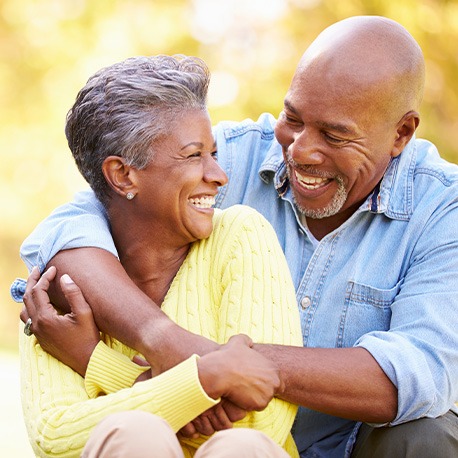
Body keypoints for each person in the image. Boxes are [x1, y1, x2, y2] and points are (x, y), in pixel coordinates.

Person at [13, 15, 458, 457]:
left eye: (335, 135)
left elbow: (417, 373)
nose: (300, 151)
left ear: (401, 133)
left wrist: (213, 367)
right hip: (218, 444)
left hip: (348, 447)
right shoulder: (232, 154)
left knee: (428, 435)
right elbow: (67, 229)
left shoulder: (443, 209)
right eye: (294, 118)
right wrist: (165, 341)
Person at [14, 54, 303, 457]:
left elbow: (262, 421)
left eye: (214, 154)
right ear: (123, 175)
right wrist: (205, 380)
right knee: (133, 436)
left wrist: (95, 361)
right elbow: (56, 437)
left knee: (238, 446)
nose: (219, 176)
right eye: (193, 155)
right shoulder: (58, 290)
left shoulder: (240, 235)